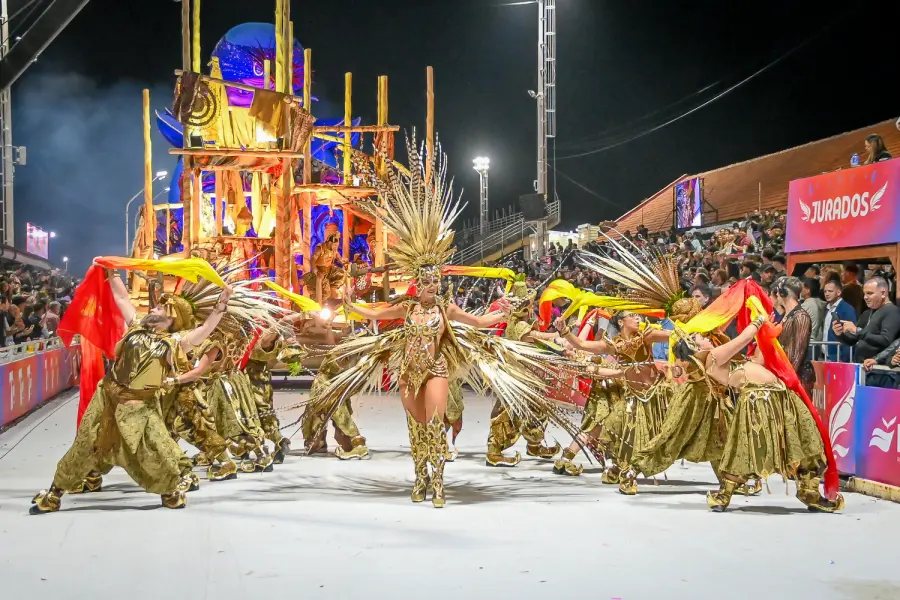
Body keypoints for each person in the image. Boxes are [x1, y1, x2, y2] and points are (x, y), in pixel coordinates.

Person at [30, 269, 234, 514]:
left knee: (155, 449)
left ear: (172, 319)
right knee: (86, 444)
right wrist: (109, 271)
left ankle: (170, 491)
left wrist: (222, 303)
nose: (153, 310)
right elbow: (122, 298)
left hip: (140, 407)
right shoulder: (135, 327)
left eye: (159, 310)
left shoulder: (175, 342)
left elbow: (206, 330)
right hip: (107, 400)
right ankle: (54, 493)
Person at [675, 317, 844, 513]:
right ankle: (724, 494)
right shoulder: (713, 358)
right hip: (760, 401)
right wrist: (758, 320)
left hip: (780, 398)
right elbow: (742, 339)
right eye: (699, 337)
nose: (706, 337)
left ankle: (810, 492)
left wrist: (765, 336)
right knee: (746, 450)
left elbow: (758, 361)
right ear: (695, 348)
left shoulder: (722, 358)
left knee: (808, 441)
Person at [833, 277, 900, 362]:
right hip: (861, 367)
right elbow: (853, 340)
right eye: (864, 294)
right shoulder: (866, 313)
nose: (865, 297)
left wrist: (857, 330)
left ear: (883, 293)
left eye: (869, 293)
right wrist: (840, 334)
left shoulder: (892, 311)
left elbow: (885, 340)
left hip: (878, 368)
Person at [773, 277, 815, 388]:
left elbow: (798, 352)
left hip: (798, 378)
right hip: (783, 373)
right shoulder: (784, 316)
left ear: (784, 292)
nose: (776, 294)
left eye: (778, 291)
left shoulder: (800, 316)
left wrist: (787, 379)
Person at [821, 280, 857, 362]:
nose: (827, 294)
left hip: (839, 357)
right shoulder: (826, 308)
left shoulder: (847, 309)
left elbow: (850, 336)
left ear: (838, 292)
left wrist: (844, 358)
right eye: (825, 291)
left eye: (830, 291)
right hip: (825, 355)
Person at [800, 278, 825, 345]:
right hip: (817, 343)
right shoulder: (820, 303)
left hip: (808, 343)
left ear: (808, 290)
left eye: (801, 287)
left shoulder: (807, 305)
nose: (799, 289)